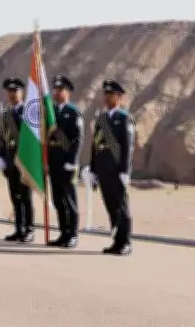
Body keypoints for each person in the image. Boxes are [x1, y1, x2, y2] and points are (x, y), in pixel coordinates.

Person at [86, 79, 135, 255]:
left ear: (119, 97)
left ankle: (125, 242)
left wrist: (125, 171)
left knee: (121, 207)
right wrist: (92, 169)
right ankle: (117, 241)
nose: (107, 97)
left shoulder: (124, 118)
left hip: (116, 171)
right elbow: (95, 145)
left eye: (111, 94)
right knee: (111, 206)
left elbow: (128, 146)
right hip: (103, 170)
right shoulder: (101, 119)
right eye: (105, 94)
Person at [47, 74, 84, 248]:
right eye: (55, 89)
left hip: (67, 162)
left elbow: (77, 139)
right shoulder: (51, 112)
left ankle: (73, 235)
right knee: (58, 199)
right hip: (54, 161)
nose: (57, 92)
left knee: (69, 199)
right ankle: (63, 233)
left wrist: (72, 160)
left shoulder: (74, 112)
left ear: (68, 92)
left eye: (60, 89)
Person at [0, 77, 33, 242]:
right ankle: (19, 229)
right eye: (10, 91)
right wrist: (1, 156)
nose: (12, 94)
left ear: (22, 93)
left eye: (15, 91)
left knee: (25, 197)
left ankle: (29, 229)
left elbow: (33, 139)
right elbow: (2, 138)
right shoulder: (6, 114)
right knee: (15, 196)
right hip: (10, 160)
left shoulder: (28, 112)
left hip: (24, 161)